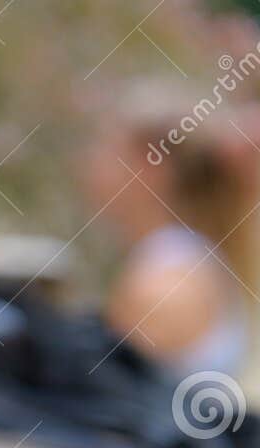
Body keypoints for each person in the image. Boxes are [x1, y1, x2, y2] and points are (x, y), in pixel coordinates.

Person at [82, 103, 258, 383]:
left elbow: (105, 392)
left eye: (111, 153)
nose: (90, 167)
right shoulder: (184, 258)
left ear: (151, 166)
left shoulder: (164, 281)